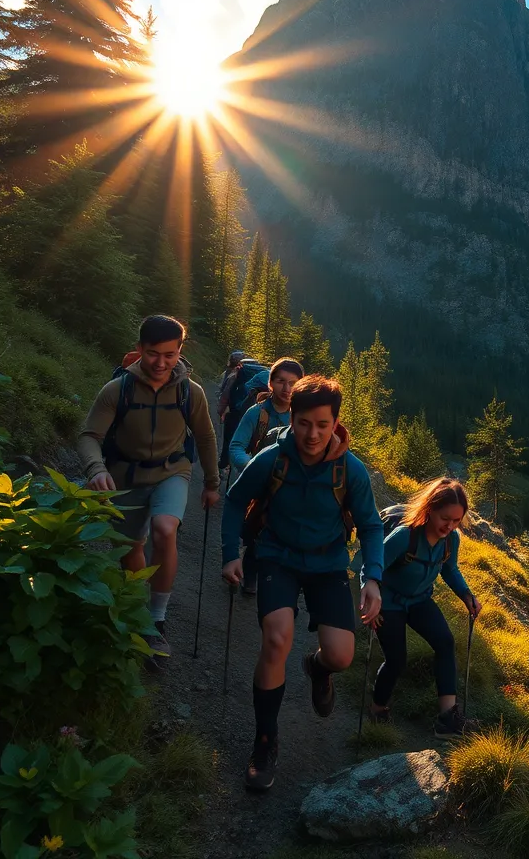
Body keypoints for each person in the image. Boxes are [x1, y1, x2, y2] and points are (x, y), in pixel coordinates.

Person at [221, 375, 384, 792]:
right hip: (277, 555)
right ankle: (265, 741)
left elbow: (369, 527)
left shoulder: (351, 470)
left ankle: (317, 667)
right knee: (276, 640)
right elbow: (236, 500)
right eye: (304, 423)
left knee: (341, 656)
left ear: (336, 423)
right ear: (291, 418)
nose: (313, 433)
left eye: (323, 424)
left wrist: (373, 580)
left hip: (328, 565)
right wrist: (229, 554)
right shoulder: (273, 459)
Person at [79, 314, 221, 657]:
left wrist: (212, 483)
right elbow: (89, 435)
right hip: (124, 476)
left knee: (164, 529)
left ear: (179, 351)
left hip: (172, 472)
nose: (161, 362)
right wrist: (96, 468)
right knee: (130, 549)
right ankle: (135, 608)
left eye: (170, 355)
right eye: (153, 353)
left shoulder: (191, 392)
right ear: (140, 349)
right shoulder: (118, 389)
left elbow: (205, 436)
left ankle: (156, 619)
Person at [367, 478, 481, 738]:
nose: (449, 526)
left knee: (445, 642)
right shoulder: (404, 536)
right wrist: (371, 602)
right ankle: (378, 708)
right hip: (389, 603)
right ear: (429, 509)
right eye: (445, 518)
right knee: (396, 659)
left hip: (419, 600)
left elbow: (450, 569)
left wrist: (466, 594)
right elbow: (373, 567)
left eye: (456, 521)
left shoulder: (451, 540)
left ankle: (447, 718)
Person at [228, 357, 304, 595]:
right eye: (281, 381)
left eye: (293, 383)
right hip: (262, 483)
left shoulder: (304, 416)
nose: (287, 388)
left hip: (291, 483)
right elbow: (236, 446)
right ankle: (250, 572)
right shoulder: (257, 413)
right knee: (257, 526)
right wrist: (252, 467)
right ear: (270, 383)